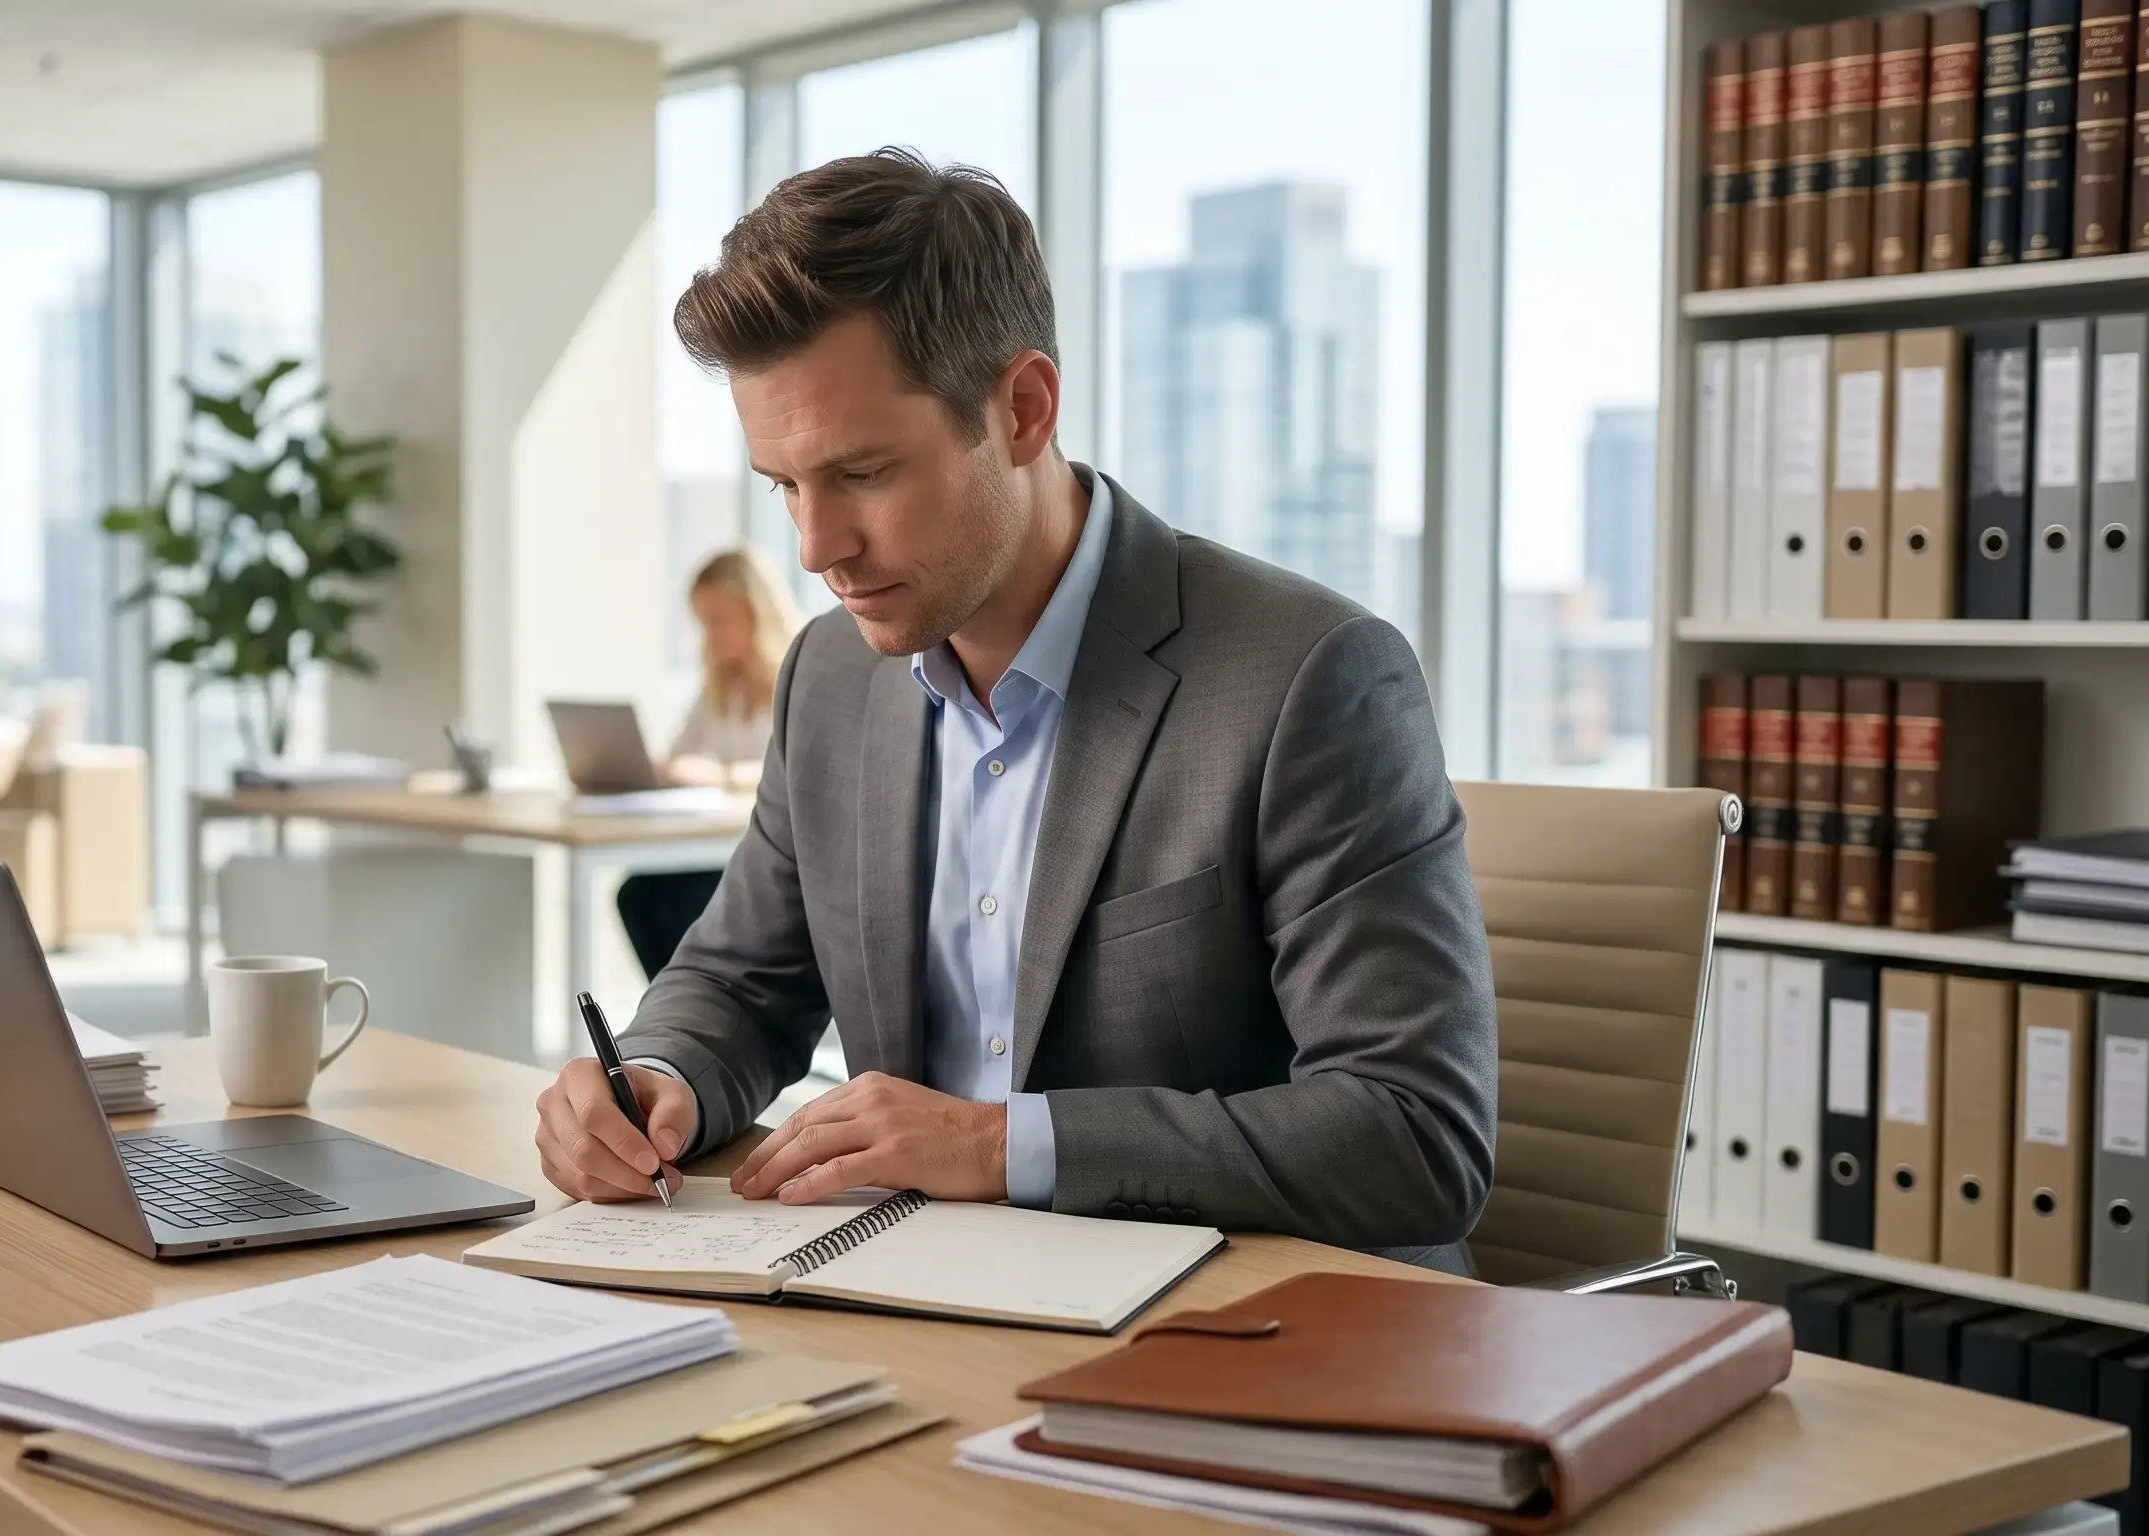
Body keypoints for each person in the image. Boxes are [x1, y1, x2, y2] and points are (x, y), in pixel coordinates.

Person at [533, 150, 1500, 1273]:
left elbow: (1414, 1132)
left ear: (1024, 409)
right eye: (784, 486)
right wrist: (657, 1077)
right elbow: (742, 980)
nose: (814, 548)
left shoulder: (1308, 679)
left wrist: (998, 1145)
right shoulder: (833, 680)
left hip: (1232, 1331)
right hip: (911, 1293)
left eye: (863, 473)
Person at [613, 549, 802, 978]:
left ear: (757, 613)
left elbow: (801, 770)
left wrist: (720, 776)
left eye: (719, 620)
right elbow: (680, 754)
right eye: (703, 623)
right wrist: (664, 770)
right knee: (638, 895)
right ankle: (674, 1017)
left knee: (687, 901)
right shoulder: (720, 687)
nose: (711, 636)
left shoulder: (798, 677)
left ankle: (707, 1015)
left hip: (762, 850)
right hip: (708, 843)